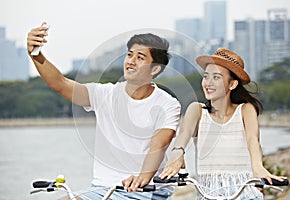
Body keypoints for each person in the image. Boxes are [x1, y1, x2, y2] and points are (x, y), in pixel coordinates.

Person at [27, 23, 181, 199]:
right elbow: (60, 84)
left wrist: (143, 177)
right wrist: (36, 54)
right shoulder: (104, 94)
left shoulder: (168, 104)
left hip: (145, 191)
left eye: (140, 57)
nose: (131, 61)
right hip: (102, 189)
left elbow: (159, 146)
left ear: (155, 69)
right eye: (129, 55)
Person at [159, 48, 286, 199]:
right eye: (206, 76)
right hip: (207, 192)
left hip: (243, 191)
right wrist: (177, 155)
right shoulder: (197, 110)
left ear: (232, 84)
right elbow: (183, 135)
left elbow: (253, 141)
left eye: (216, 77)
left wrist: (258, 167)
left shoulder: (246, 110)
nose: (208, 82)